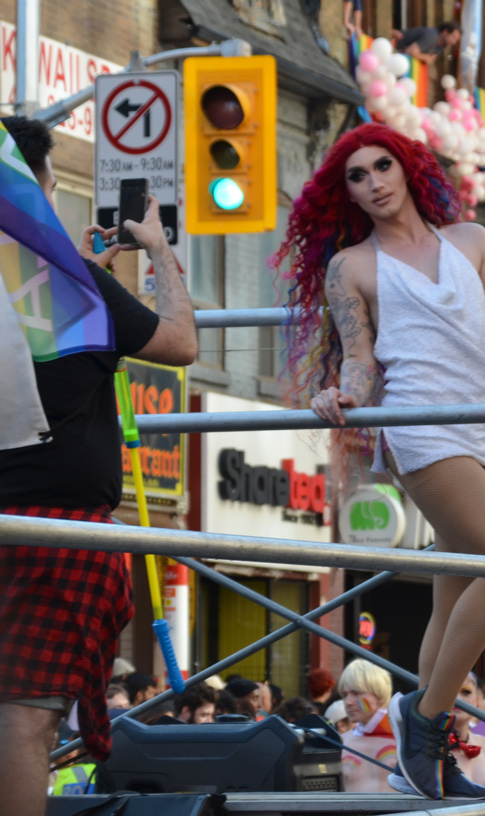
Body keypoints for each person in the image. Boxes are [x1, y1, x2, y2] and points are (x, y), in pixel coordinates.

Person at [277, 122, 485, 800]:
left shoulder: (472, 240)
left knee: (452, 597)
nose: (373, 183)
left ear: (408, 168)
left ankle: (426, 760)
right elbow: (361, 358)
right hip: (420, 425)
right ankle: (423, 718)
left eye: (382, 166)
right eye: (357, 176)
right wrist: (342, 393)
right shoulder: (351, 266)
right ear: (347, 194)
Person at [0, 115, 196, 816]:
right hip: (54, 533)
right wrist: (159, 252)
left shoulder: (66, 283)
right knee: (24, 716)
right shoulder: (67, 282)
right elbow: (179, 343)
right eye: (52, 187)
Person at [337, 658, 396, 793]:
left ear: (378, 694)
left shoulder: (404, 737)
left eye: (356, 693)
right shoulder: (341, 741)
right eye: (345, 695)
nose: (348, 702)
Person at [390, 22, 461, 65]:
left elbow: (430, 59)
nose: (454, 42)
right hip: (393, 50)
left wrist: (426, 58)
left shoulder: (442, 46)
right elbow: (410, 51)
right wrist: (426, 57)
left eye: (456, 40)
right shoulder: (432, 37)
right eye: (453, 37)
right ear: (445, 32)